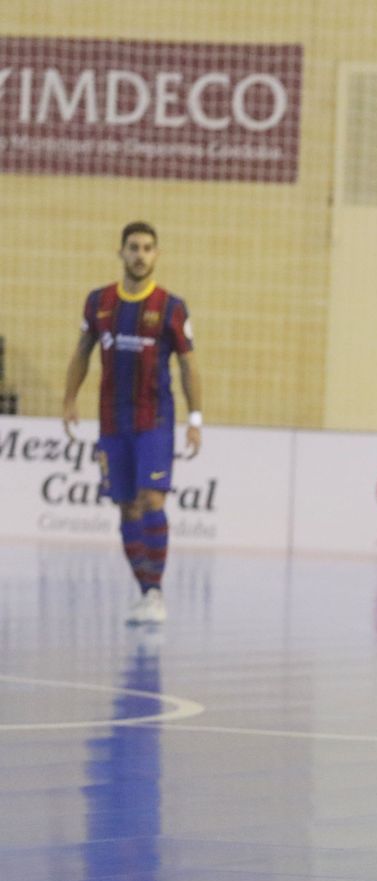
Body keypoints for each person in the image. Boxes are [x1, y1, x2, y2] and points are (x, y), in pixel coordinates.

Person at [62, 222, 202, 625]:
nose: (140, 255)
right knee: (126, 507)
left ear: (156, 255)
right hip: (112, 423)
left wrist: (195, 419)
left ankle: (156, 592)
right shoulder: (99, 302)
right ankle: (146, 592)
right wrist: (69, 399)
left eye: (147, 248)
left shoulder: (171, 307)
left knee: (152, 499)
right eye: (134, 247)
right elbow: (82, 352)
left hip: (154, 420)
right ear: (121, 252)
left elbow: (189, 366)